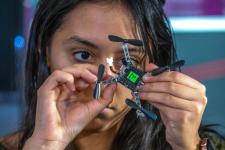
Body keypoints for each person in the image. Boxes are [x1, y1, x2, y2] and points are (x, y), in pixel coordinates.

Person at [0, 0, 225, 149]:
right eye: (83, 55)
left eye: (128, 61)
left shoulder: (200, 144)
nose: (105, 83)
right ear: (44, 49)